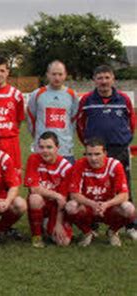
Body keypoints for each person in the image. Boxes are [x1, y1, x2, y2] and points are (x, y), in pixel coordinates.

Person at [77, 65, 137, 238]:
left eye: (107, 77)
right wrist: (88, 145)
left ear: (113, 79)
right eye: (100, 78)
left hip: (119, 149)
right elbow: (80, 125)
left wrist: (123, 139)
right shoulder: (87, 100)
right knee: (93, 186)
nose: (103, 81)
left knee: (124, 187)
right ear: (94, 80)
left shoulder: (123, 99)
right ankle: (93, 224)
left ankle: (130, 225)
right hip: (95, 150)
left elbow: (131, 124)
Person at [66, 137, 135, 247]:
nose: (93, 158)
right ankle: (87, 232)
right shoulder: (80, 164)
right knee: (71, 206)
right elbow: (74, 194)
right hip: (88, 207)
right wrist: (92, 204)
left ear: (105, 153)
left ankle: (113, 232)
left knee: (129, 208)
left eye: (97, 154)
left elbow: (124, 195)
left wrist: (107, 204)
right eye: (89, 154)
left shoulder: (115, 165)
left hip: (108, 208)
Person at [25, 131, 73, 248]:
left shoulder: (66, 167)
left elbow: (63, 201)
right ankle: (37, 236)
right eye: (41, 147)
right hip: (42, 202)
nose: (45, 151)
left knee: (64, 242)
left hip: (57, 209)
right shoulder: (33, 159)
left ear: (57, 148)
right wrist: (56, 195)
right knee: (34, 198)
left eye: (49, 147)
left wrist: (58, 223)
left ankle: (47, 224)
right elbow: (34, 189)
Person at [26, 60, 79, 163]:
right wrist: (39, 137)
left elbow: (73, 120)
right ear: (47, 75)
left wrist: (65, 136)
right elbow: (31, 119)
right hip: (43, 150)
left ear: (65, 75)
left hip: (65, 150)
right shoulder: (37, 94)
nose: (57, 78)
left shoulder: (72, 95)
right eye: (54, 74)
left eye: (60, 74)